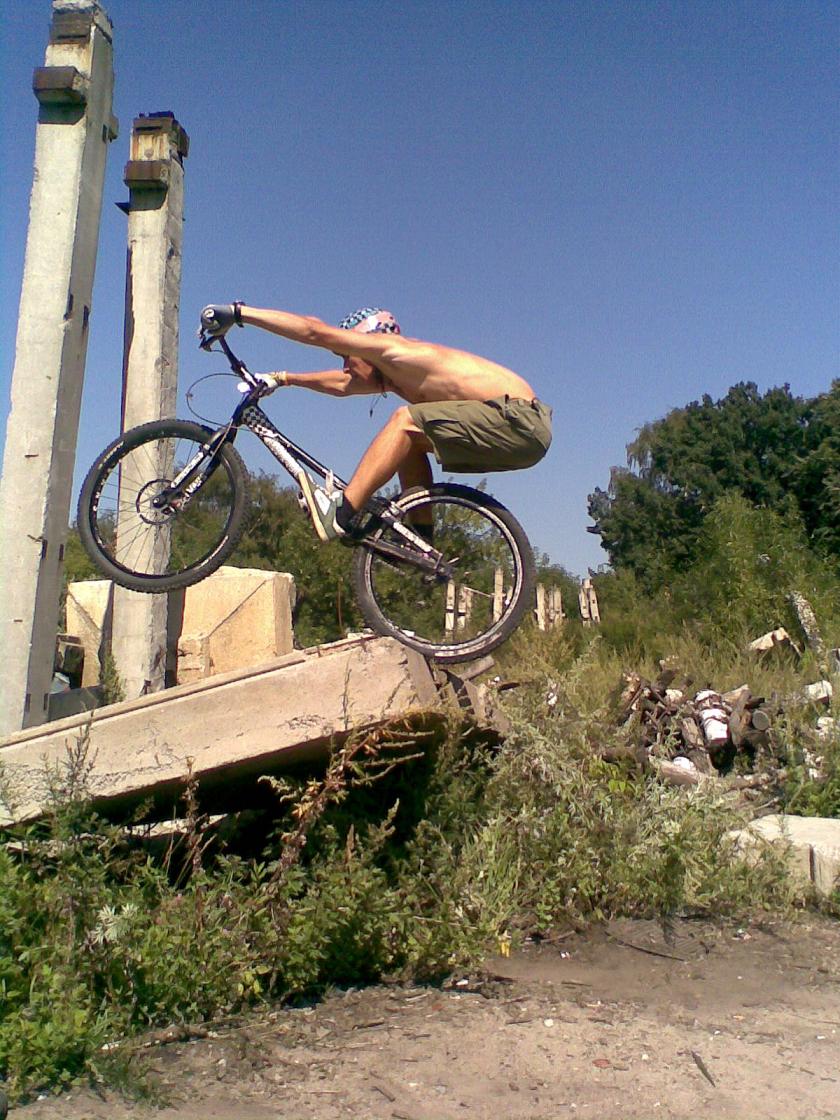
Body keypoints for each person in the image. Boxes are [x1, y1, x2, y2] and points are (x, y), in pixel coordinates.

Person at [199, 302, 552, 539]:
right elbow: (341, 385)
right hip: (516, 433)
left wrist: (239, 313)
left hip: (518, 419)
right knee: (406, 443)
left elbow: (314, 331)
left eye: (347, 355)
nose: (345, 366)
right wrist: (283, 378)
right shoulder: (395, 376)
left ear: (367, 344)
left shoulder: (396, 351)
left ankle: (339, 513)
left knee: (404, 420)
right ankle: (420, 538)